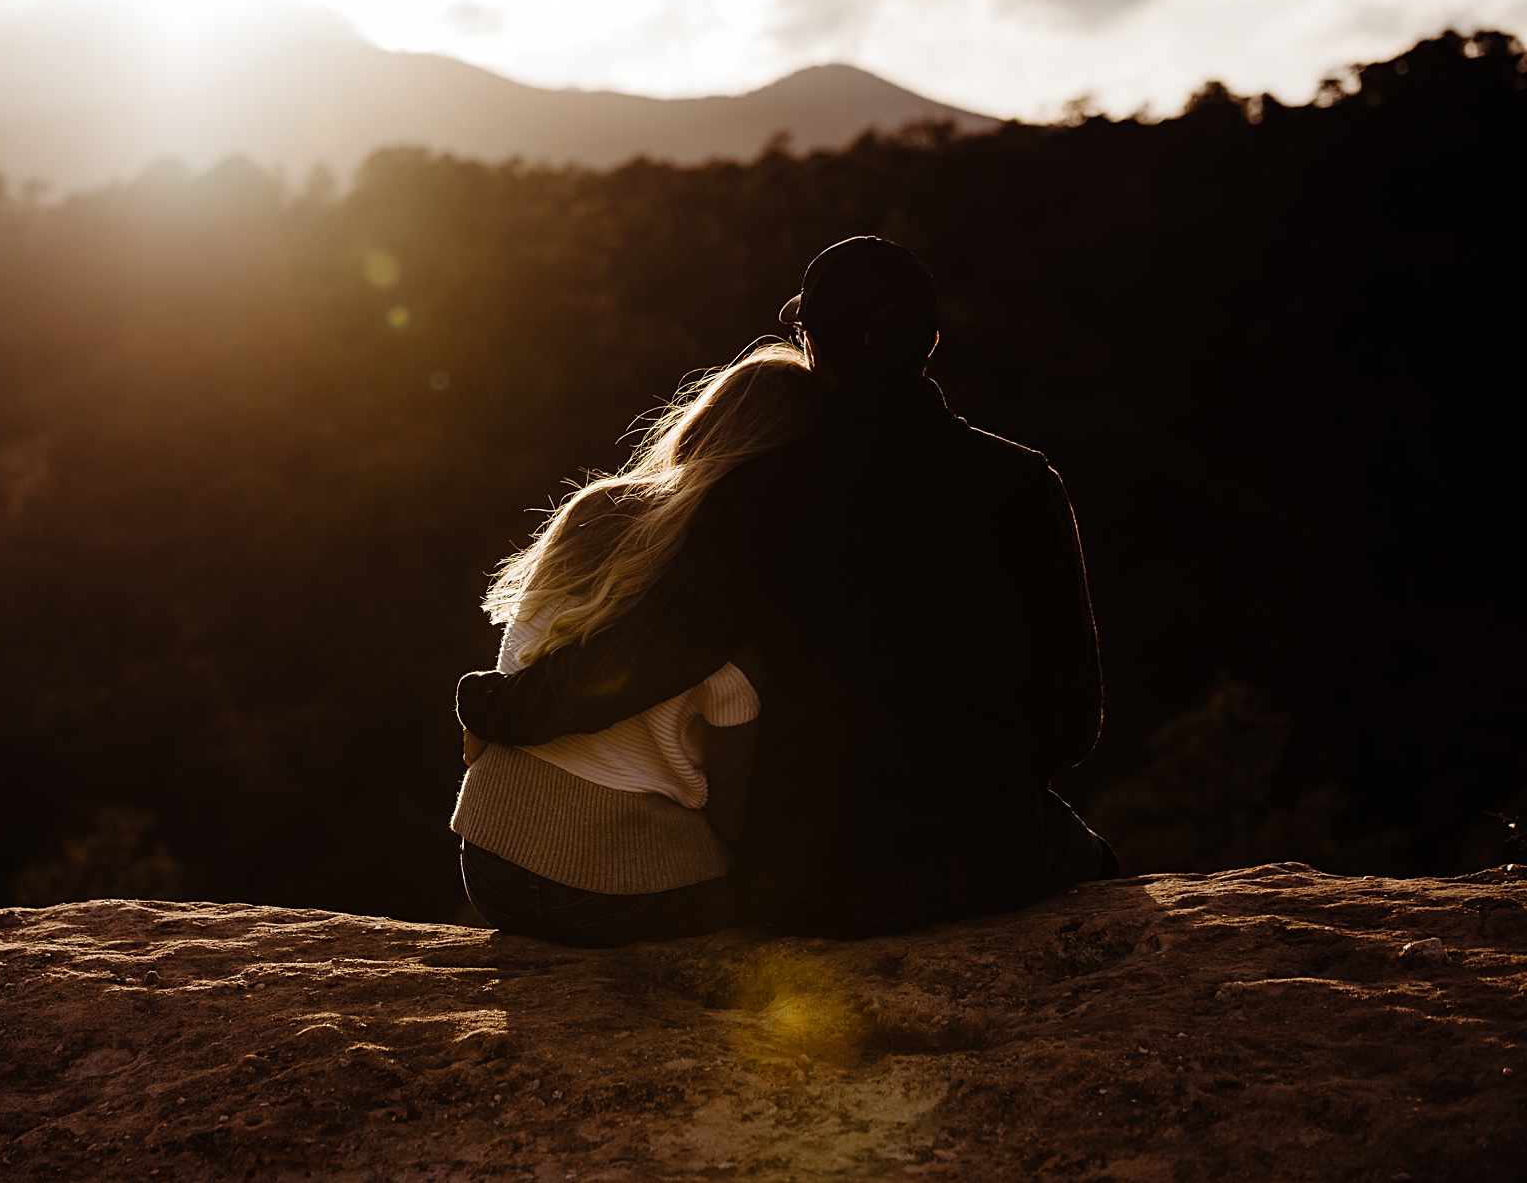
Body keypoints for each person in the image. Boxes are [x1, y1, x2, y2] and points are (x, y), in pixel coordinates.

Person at [457, 236, 1117, 940]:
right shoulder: (1027, 484)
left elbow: (644, 659)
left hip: (817, 885)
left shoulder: (755, 495)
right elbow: (1071, 724)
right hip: (993, 855)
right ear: (928, 342)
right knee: (1109, 887)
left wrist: (490, 704)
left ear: (814, 346)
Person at [451, 340, 827, 947]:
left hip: (490, 859)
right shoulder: (740, 576)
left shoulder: (595, 509)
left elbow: (518, 658)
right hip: (612, 892)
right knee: (779, 894)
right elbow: (731, 816)